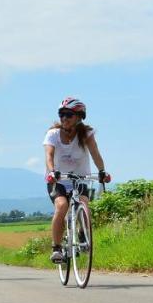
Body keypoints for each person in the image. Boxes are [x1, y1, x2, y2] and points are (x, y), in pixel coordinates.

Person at [43, 97, 111, 264]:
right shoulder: (53, 134)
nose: (64, 118)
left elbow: (95, 154)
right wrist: (52, 172)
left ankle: (83, 234)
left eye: (69, 115)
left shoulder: (87, 133)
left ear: (79, 117)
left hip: (80, 178)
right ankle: (57, 248)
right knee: (62, 206)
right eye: (61, 114)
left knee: (83, 203)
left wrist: (102, 171)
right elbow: (49, 156)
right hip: (58, 179)